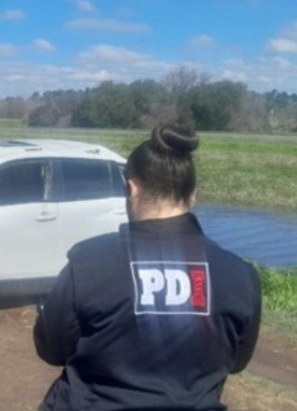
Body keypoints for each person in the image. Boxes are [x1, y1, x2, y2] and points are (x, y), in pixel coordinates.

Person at [33, 124, 262, 411]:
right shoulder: (240, 274)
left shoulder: (88, 262)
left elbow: (51, 349)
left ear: (132, 188)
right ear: (193, 194)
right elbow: (236, 362)